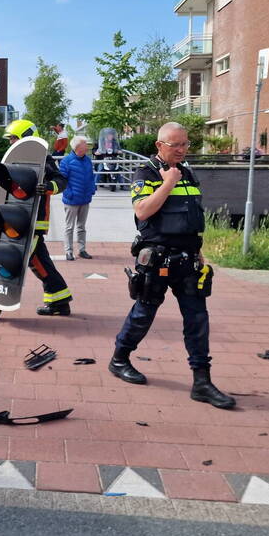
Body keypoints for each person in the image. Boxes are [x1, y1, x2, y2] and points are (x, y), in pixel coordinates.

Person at [108, 122, 235, 410]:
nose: (181, 150)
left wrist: (198, 252)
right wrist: (168, 183)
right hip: (157, 259)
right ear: (159, 145)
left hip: (188, 258)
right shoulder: (146, 173)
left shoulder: (187, 172)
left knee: (197, 319)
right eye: (175, 145)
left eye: (185, 144)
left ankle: (201, 381)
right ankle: (119, 359)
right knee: (144, 313)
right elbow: (142, 211)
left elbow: (191, 218)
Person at [0, 119, 73, 319]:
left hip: (33, 222)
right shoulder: (14, 157)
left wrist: (48, 186)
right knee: (37, 263)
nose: (10, 142)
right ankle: (59, 301)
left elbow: (61, 180)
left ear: (25, 136)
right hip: (17, 221)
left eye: (13, 138)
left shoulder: (43, 158)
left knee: (16, 260)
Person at [58, 135, 97, 261]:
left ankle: (82, 250)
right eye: (85, 144)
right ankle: (68, 251)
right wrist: (69, 194)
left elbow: (91, 177)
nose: (87, 146)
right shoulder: (66, 161)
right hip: (71, 200)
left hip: (85, 199)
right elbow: (62, 180)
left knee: (81, 227)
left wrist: (92, 189)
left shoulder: (88, 160)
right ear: (78, 147)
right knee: (69, 227)